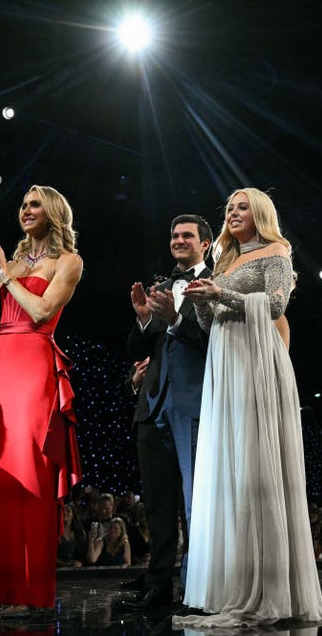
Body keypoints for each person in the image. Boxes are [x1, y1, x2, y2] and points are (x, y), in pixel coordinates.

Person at [174, 188, 322, 628]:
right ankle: (232, 587)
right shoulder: (224, 262)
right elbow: (209, 327)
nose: (233, 212)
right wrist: (202, 300)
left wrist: (220, 295)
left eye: (242, 206)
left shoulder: (275, 251)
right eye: (229, 207)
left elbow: (278, 304)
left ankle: (272, 590)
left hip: (257, 364)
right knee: (231, 471)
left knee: (257, 470)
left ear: (260, 213)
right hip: (224, 365)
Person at [0, 184, 83, 618]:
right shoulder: (9, 262)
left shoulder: (68, 261)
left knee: (29, 471)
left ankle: (29, 591)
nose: (26, 210)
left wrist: (5, 273)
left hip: (34, 363)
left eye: (34, 204)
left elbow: (40, 312)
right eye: (23, 205)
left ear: (53, 212)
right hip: (1, 361)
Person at [120, 214, 213, 612]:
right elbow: (133, 349)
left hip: (195, 410)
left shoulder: (217, 284)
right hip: (152, 408)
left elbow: (215, 346)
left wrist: (175, 320)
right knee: (157, 508)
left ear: (205, 244)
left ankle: (197, 589)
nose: (178, 240)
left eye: (186, 235)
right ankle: (157, 588)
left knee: (196, 508)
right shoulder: (159, 286)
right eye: (174, 235)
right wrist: (144, 319)